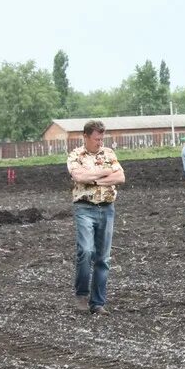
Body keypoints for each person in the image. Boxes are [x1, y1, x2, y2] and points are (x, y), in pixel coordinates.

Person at [67, 120, 125, 315]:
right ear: (85, 136)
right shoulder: (76, 155)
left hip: (107, 208)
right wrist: (106, 172)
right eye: (96, 139)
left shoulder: (108, 153)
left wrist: (93, 176)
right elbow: (79, 177)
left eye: (101, 139)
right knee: (85, 250)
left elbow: (120, 177)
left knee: (103, 257)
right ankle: (81, 294)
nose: (99, 143)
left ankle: (97, 303)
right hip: (84, 207)